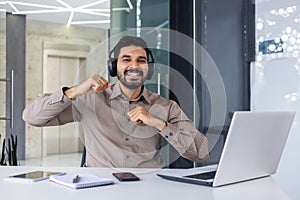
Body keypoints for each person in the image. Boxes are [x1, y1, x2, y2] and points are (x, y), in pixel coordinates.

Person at [23, 36, 209, 168]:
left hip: (149, 187)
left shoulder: (166, 107)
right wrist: (75, 90)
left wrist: (159, 123)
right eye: (126, 59)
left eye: (141, 60)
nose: (134, 66)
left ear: (148, 68)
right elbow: (32, 117)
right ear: (114, 67)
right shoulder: (89, 100)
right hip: (100, 187)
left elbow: (201, 153)